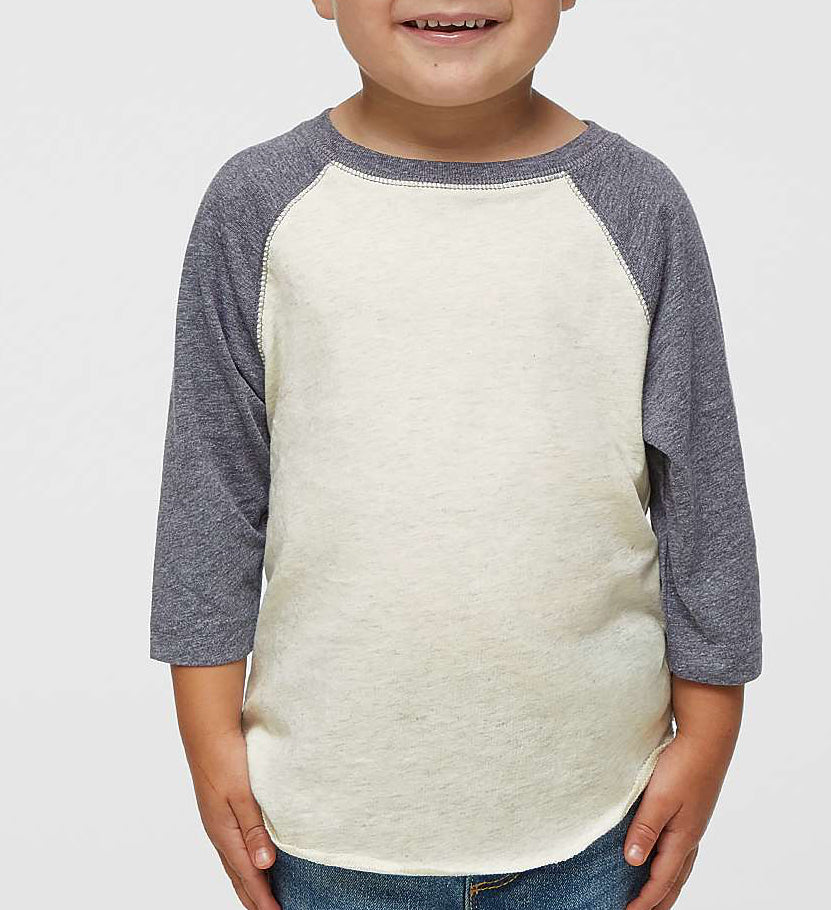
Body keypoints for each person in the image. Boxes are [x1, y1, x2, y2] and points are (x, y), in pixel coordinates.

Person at [149, 3, 763, 909]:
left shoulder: (638, 206)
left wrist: (707, 742)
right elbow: (210, 495)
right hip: (324, 828)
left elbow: (703, 497)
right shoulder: (259, 207)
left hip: (597, 824)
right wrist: (213, 756)